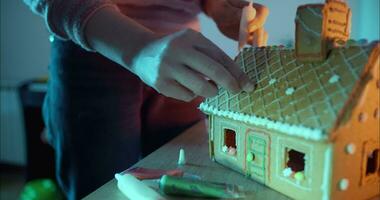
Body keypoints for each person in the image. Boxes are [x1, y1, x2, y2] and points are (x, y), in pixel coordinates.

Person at [23, 0, 269, 199]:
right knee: (100, 188)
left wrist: (217, 5)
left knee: (187, 181)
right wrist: (138, 47)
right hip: (95, 51)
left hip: (181, 63)